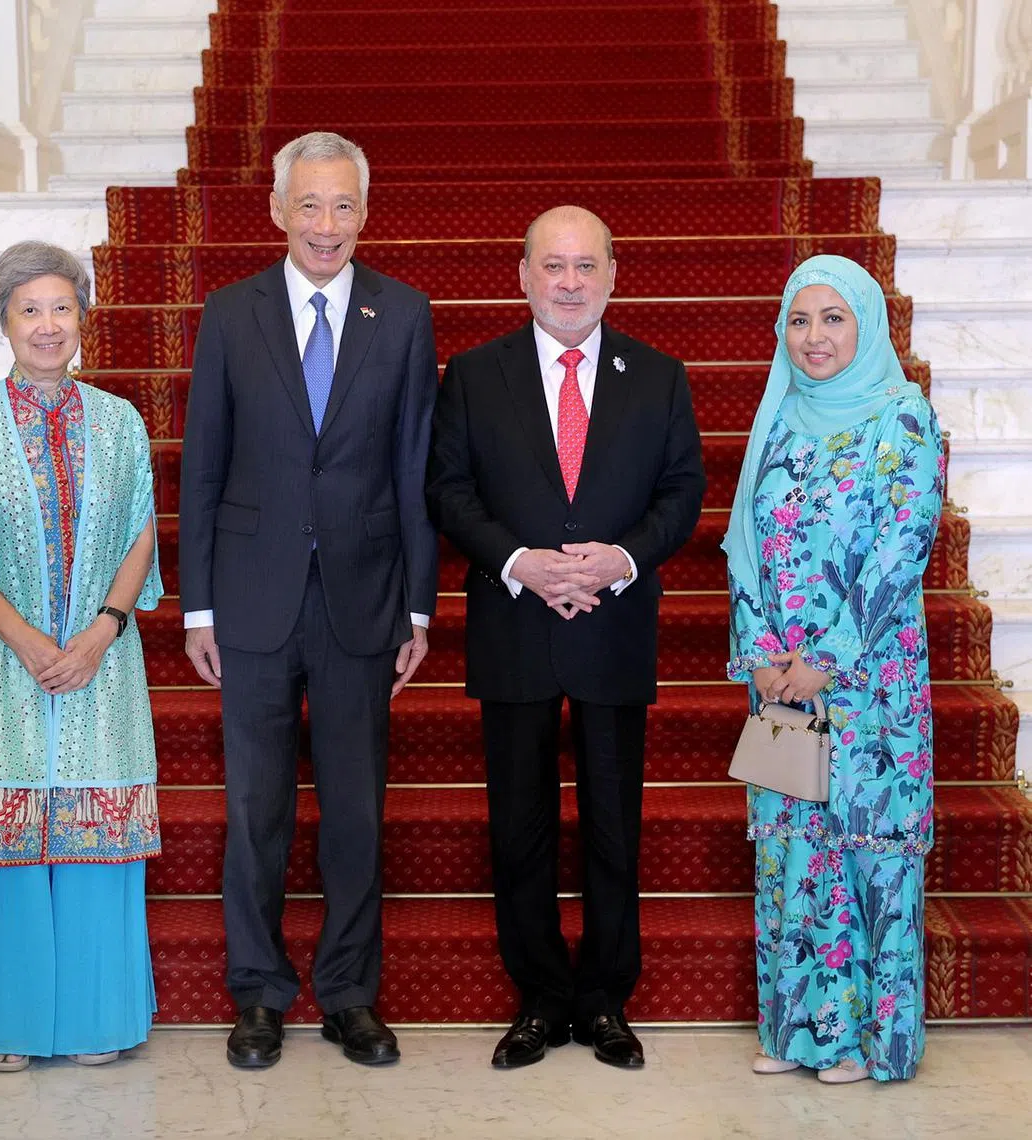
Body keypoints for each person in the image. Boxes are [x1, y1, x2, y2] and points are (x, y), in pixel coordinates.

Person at [179, 131, 438, 1069]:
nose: (325, 226)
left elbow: (414, 465)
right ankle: (257, 994)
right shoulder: (228, 313)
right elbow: (203, 464)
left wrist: (418, 605)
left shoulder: (403, 314)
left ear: (365, 213)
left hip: (363, 603)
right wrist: (197, 607)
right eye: (309, 205)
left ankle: (348, 994)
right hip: (249, 604)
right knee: (255, 810)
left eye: (343, 206)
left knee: (356, 811)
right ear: (278, 210)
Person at [426, 206, 706, 1069]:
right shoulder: (474, 375)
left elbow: (682, 491)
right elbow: (449, 489)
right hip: (515, 624)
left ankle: (606, 999)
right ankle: (541, 997)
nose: (571, 282)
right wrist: (522, 562)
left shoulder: (658, 376)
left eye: (587, 266)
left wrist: (617, 559)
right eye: (555, 266)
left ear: (614, 275)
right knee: (521, 829)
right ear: (523, 275)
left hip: (615, 628)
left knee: (615, 828)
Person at [0, 241, 163, 1072]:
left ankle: (93, 1015)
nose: (48, 326)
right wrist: (25, 639)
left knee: (90, 831)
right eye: (30, 310)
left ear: (83, 318)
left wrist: (100, 631)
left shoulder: (120, 422)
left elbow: (139, 534)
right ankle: (4, 1019)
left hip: (100, 661)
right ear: (4, 322)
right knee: (5, 833)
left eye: (61, 308)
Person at [723, 254, 944, 1083]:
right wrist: (762, 652)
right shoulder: (780, 416)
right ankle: (797, 1032)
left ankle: (864, 1041)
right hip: (779, 680)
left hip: (869, 683)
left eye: (833, 319)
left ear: (867, 325)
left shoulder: (903, 418)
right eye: (800, 320)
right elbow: (745, 548)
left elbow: (900, 553)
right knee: (792, 851)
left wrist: (825, 658)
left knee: (866, 851)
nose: (814, 338)